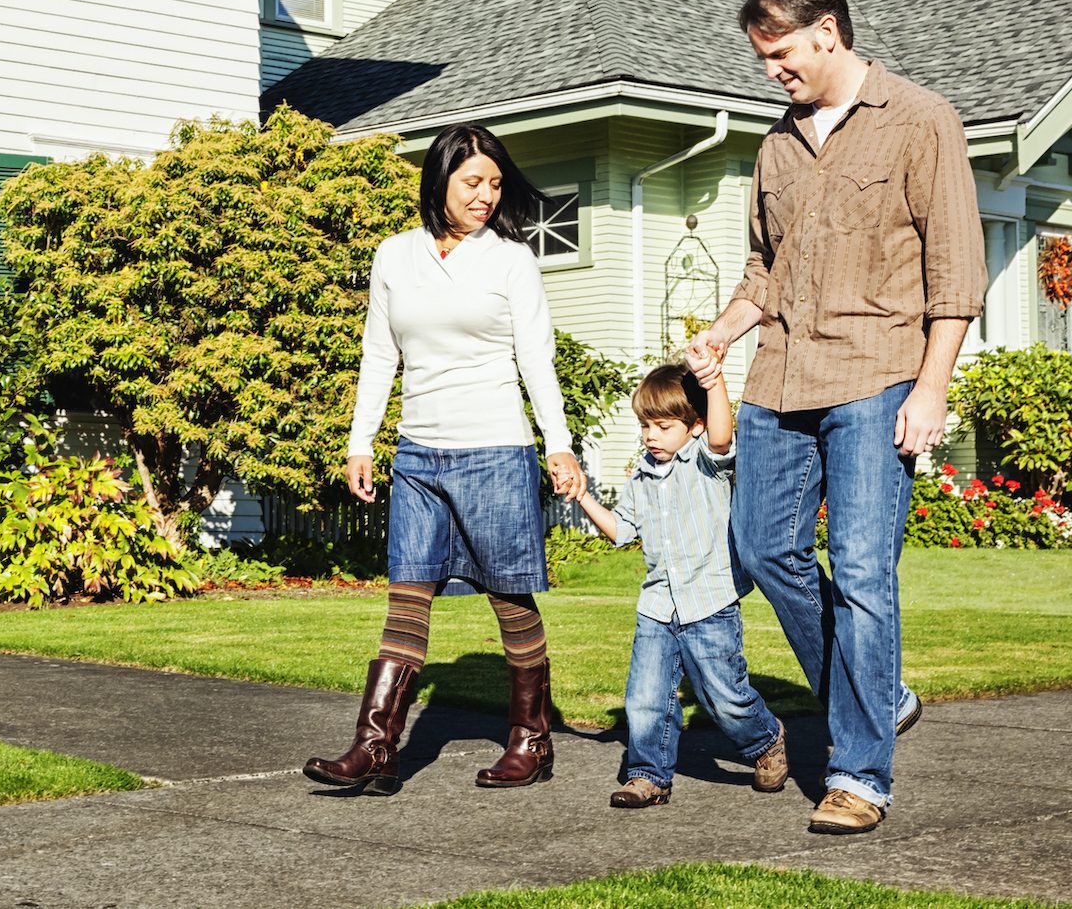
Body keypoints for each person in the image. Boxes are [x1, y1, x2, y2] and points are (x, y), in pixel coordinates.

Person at [687, 0, 985, 834]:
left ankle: (859, 774)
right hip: (781, 377)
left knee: (861, 571)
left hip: (879, 373)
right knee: (760, 544)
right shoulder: (776, 145)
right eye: (761, 58)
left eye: (779, 55)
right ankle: (881, 691)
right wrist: (720, 333)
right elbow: (763, 271)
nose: (771, 71)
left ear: (827, 32)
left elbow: (955, 272)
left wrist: (931, 387)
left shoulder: (922, 121)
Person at [304, 123, 587, 795]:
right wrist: (360, 440)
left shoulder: (510, 259)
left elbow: (535, 358)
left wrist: (559, 441)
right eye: (472, 182)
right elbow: (380, 353)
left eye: (494, 183)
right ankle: (375, 746)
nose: (486, 194)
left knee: (508, 595)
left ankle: (531, 739)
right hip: (420, 453)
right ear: (440, 180)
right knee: (408, 591)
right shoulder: (394, 256)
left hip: (495, 446)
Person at [575, 360, 788, 808]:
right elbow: (621, 531)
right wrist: (582, 496)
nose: (651, 435)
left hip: (709, 600)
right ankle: (648, 776)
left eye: (663, 425)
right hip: (657, 606)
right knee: (645, 698)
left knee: (724, 697)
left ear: (692, 426)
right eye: (645, 426)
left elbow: (723, 436)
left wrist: (713, 383)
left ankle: (767, 738)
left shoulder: (707, 462)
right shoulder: (641, 475)